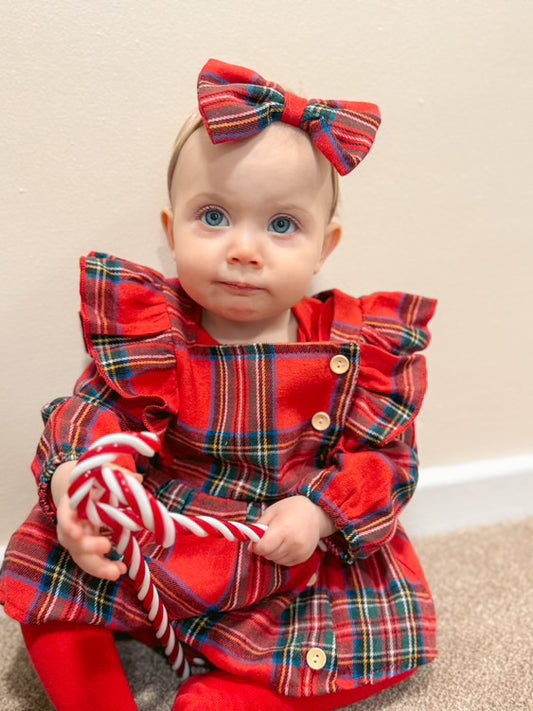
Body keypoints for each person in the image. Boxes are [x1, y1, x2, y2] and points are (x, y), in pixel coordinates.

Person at [0, 59, 437, 710]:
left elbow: (386, 459)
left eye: (281, 225)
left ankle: (232, 694)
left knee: (360, 642)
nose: (243, 248)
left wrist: (318, 514)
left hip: (284, 546)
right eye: (213, 216)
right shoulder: (151, 328)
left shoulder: (355, 345)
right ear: (171, 229)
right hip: (165, 530)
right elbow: (93, 412)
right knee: (52, 590)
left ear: (325, 245)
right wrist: (76, 486)